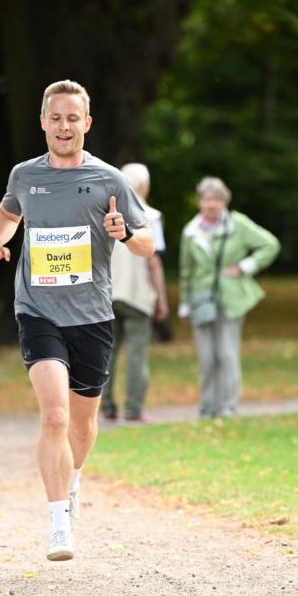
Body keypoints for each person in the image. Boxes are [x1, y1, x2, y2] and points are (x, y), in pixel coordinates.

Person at [0, 80, 154, 562]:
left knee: (82, 424)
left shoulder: (108, 179)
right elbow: (7, 214)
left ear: (87, 123)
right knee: (54, 415)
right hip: (37, 309)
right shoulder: (24, 175)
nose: (63, 126)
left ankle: (73, 478)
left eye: (72, 118)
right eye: (55, 118)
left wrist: (125, 233)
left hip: (91, 316)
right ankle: (59, 524)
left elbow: (148, 244)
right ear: (42, 122)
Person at [178, 176, 280, 418]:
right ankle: (207, 407)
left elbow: (270, 245)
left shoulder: (238, 224)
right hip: (201, 299)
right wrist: (184, 303)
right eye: (206, 199)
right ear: (200, 202)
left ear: (225, 202)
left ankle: (228, 407)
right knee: (206, 357)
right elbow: (186, 271)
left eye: (216, 199)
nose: (211, 204)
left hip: (231, 299)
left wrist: (245, 267)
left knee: (227, 353)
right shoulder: (191, 232)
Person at [101, 162, 169, 422]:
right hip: (137, 295)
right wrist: (161, 299)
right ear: (143, 186)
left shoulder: (105, 214)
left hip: (106, 294)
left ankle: (106, 407)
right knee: (136, 354)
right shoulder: (151, 217)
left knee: (106, 353)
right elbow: (153, 262)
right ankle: (133, 409)